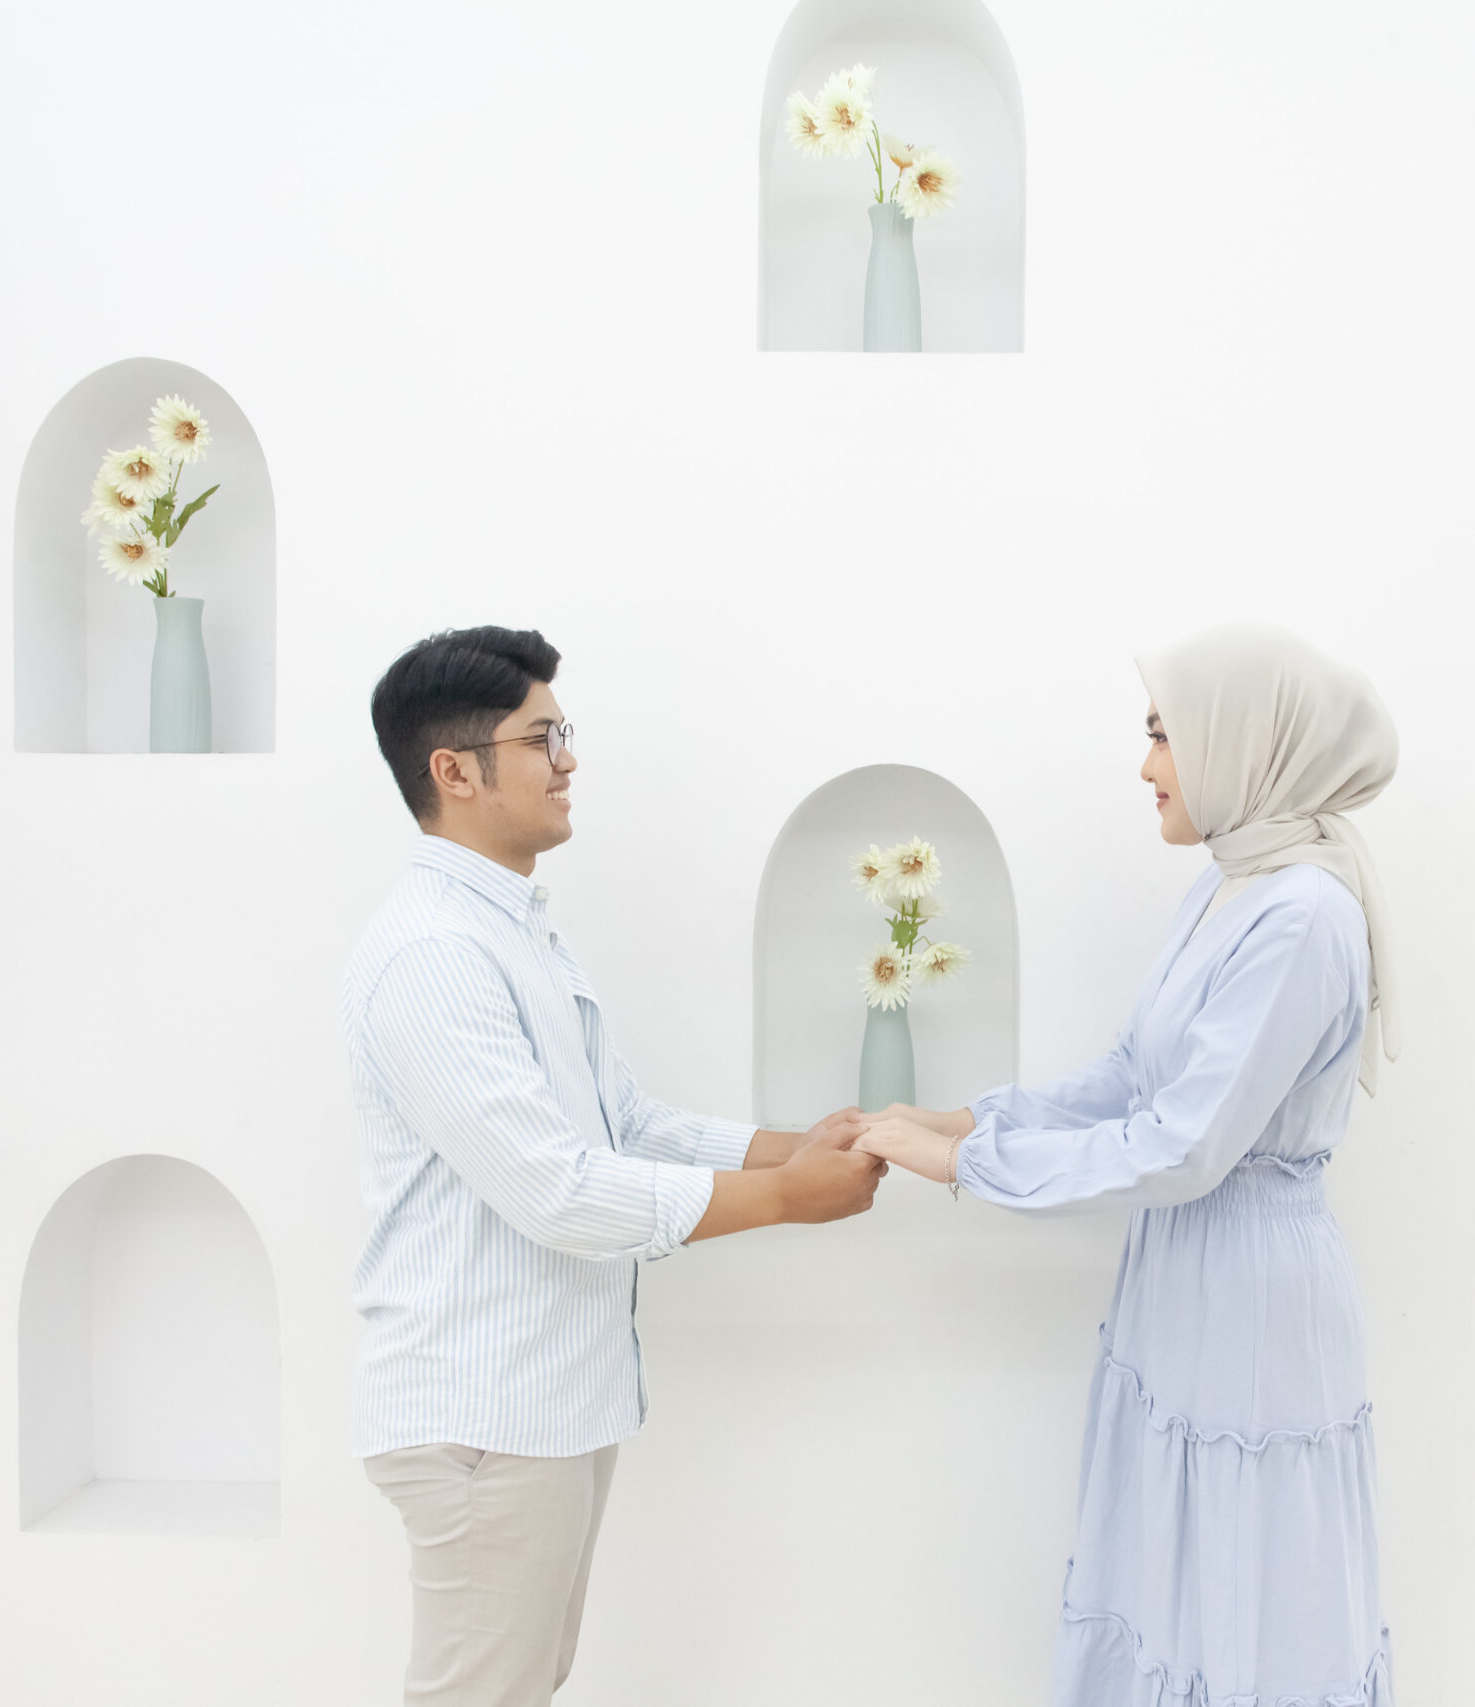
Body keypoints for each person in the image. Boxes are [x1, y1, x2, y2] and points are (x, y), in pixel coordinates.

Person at [857, 623, 1403, 1707]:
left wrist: (969, 1163)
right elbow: (1131, 1075)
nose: (1146, 764)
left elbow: (1185, 1144)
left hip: (1250, 1293)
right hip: (1184, 1270)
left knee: (1243, 1586)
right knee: (1172, 1574)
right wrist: (965, 1118)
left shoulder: (1301, 916)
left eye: (1164, 735)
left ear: (1242, 742)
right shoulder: (1229, 882)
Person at [343, 625, 885, 1707]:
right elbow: (556, 1191)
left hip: (546, 1402)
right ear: (455, 771)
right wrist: (783, 1197)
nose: (569, 760)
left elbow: (620, 1123)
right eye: (542, 738)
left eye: (563, 733)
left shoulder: (514, 928)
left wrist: (790, 1147)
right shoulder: (436, 955)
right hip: (486, 1418)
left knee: (522, 1684)